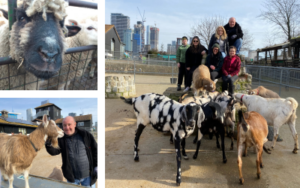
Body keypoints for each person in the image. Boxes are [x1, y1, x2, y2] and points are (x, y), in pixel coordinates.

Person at [45, 116, 97, 188]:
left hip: (88, 176)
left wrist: (97, 165)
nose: (67, 127)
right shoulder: (61, 139)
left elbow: (95, 150)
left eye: (69, 124)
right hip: (72, 178)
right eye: (64, 125)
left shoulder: (85, 135)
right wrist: (48, 142)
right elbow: (54, 151)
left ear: (75, 124)